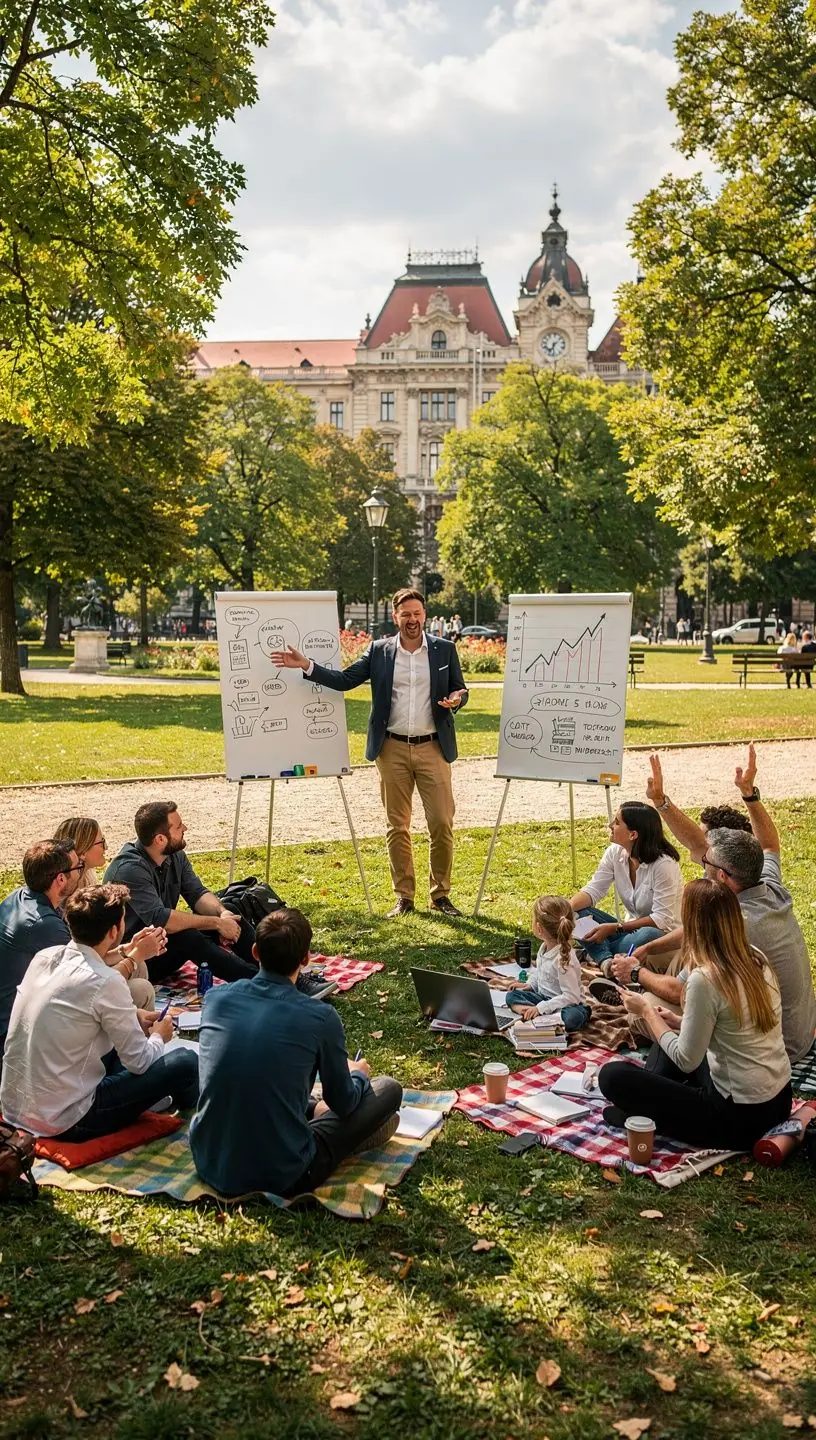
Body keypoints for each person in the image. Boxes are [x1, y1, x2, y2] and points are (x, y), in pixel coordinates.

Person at [271, 588, 468, 918]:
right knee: (397, 826)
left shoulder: (444, 649)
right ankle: (404, 896)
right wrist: (307, 665)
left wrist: (458, 698)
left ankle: (441, 895)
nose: (412, 619)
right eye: (405, 614)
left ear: (425, 615)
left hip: (433, 746)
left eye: (417, 613)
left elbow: (459, 688)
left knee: (441, 823)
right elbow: (346, 679)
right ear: (395, 617)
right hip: (390, 748)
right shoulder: (379, 651)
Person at [619, 747, 816, 1061]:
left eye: (705, 862)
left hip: (774, 1048)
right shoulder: (763, 882)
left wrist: (636, 974)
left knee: (641, 1015)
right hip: (797, 1032)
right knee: (664, 956)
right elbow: (767, 843)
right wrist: (749, 795)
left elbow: (683, 993)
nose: (699, 858)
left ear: (722, 877)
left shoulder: (732, 926)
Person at [190, 908, 402, 1198]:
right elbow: (344, 1103)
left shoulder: (214, 998)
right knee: (388, 1089)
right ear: (306, 959)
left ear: (254, 951)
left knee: (263, 1081)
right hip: (285, 1173)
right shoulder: (320, 1016)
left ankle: (313, 1109)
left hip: (209, 1160)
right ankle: (344, 1127)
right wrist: (359, 1076)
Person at [598, 879, 792, 1150]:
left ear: (693, 925)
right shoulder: (755, 958)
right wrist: (677, 1022)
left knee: (611, 1076)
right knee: (669, 1035)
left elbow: (686, 1060)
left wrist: (646, 1011)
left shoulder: (706, 978)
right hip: (778, 1101)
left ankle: (643, 1109)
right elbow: (737, 1028)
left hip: (736, 1119)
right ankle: (647, 1104)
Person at [0, 884, 198, 1140]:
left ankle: (157, 1097)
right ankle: (191, 1104)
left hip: (16, 1107)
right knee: (184, 1062)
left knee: (130, 1047)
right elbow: (139, 1062)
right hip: (67, 1120)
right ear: (115, 930)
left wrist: (134, 1014)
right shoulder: (106, 982)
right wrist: (160, 1035)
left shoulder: (45, 957)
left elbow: (81, 1000)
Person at [105, 802, 258, 983]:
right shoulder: (129, 869)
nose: (185, 828)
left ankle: (275, 969)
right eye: (179, 827)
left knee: (231, 910)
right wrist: (217, 923)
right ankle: (260, 981)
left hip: (162, 944)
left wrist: (222, 914)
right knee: (187, 936)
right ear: (160, 839)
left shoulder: (174, 854)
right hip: (136, 957)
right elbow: (162, 920)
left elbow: (197, 893)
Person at [54, 816, 157, 1010]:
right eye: (101, 842)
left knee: (139, 965)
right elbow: (81, 965)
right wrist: (132, 955)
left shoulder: (88, 879)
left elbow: (92, 955)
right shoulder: (69, 896)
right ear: (82, 851)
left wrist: (129, 949)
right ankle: (137, 1031)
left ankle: (130, 1023)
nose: (106, 848)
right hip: (76, 985)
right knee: (141, 986)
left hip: (85, 968)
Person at [569, 801, 684, 967]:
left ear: (633, 835)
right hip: (625, 932)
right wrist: (565, 908)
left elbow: (661, 920)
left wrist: (615, 927)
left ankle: (599, 953)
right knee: (578, 912)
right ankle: (607, 960)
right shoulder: (615, 853)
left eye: (616, 822)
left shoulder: (663, 866)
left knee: (647, 935)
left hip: (660, 935)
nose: (610, 825)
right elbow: (594, 890)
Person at [505, 896, 591, 1034]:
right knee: (511, 995)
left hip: (567, 1005)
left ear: (539, 928)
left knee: (572, 1018)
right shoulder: (544, 947)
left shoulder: (563, 959)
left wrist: (541, 1008)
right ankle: (537, 1016)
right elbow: (540, 972)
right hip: (544, 998)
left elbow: (572, 997)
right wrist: (529, 985)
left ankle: (538, 1016)